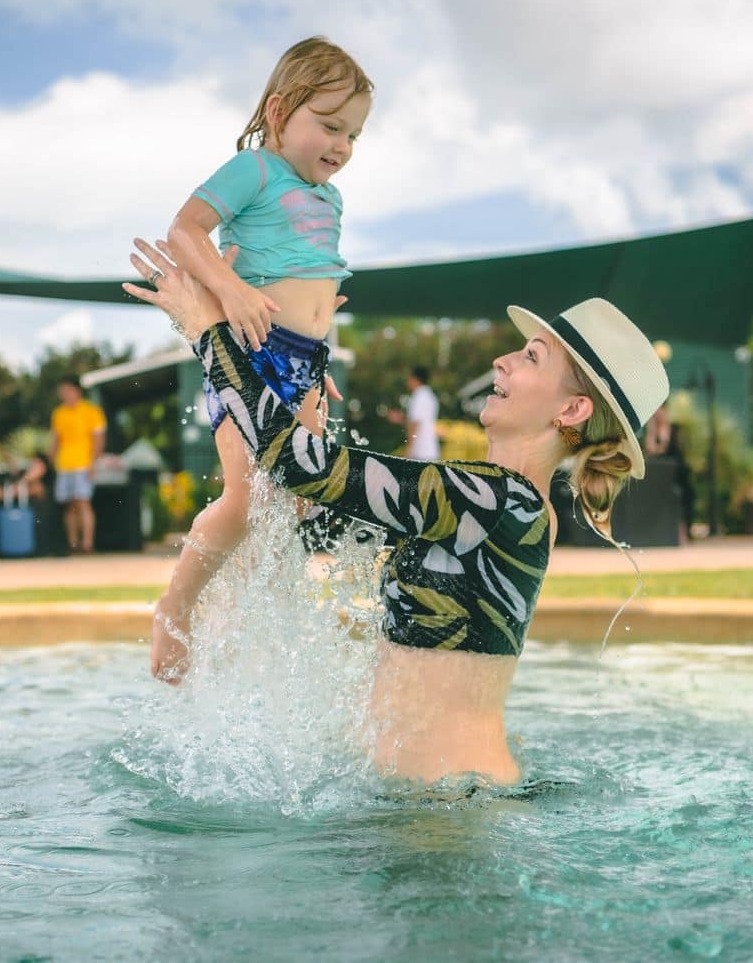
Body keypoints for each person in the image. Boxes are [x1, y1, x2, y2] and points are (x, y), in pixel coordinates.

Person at [125, 242, 670, 789]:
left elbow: (299, 466)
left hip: (445, 816)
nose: (501, 360)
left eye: (531, 357)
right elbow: (300, 513)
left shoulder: (498, 502)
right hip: (423, 804)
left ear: (572, 410)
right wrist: (299, 360)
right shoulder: (491, 505)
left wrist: (204, 330)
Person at [150, 36, 372, 641]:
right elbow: (185, 231)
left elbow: (299, 269)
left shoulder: (330, 196)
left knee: (297, 501)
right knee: (248, 503)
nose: (342, 147)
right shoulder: (254, 170)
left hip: (304, 361)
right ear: (278, 112)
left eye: (352, 135)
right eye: (329, 127)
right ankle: (176, 607)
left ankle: (240, 617)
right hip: (250, 352)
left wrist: (316, 332)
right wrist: (235, 290)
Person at [50, 377, 106, 554]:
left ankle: (87, 543)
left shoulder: (91, 411)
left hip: (83, 463)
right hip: (64, 465)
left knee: (83, 502)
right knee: (69, 505)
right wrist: (50, 458)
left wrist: (93, 462)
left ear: (77, 390)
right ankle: (73, 543)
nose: (64, 394)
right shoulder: (58, 413)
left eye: (67, 390)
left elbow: (98, 439)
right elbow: (56, 440)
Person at [388, 366, 440, 460]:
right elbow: (420, 421)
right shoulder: (430, 396)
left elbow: (415, 424)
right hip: (430, 450)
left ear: (415, 379)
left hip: (421, 453)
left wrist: (408, 451)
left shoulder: (419, 396)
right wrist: (401, 419)